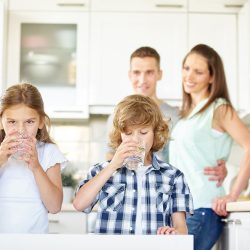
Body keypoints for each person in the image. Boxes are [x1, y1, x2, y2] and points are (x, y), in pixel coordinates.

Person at [105, 46, 227, 187]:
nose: (142, 79)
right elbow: (110, 159)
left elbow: (192, 155)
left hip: (167, 195)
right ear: (130, 75)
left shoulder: (177, 116)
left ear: (159, 74)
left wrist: (219, 168)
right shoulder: (116, 116)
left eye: (149, 72)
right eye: (137, 72)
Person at [73, 94, 193, 234]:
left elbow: (181, 228)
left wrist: (174, 233)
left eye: (143, 132)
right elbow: (79, 204)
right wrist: (112, 166)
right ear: (120, 135)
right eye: (128, 133)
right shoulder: (101, 171)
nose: (135, 140)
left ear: (155, 133)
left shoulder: (173, 176)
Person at [169, 44, 250, 250]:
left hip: (203, 209)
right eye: (186, 68)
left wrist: (233, 194)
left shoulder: (219, 108)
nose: (189, 76)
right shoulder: (188, 115)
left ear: (212, 77)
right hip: (183, 211)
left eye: (198, 71)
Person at [0, 83, 67, 233]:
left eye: (29, 122)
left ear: (41, 121)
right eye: (12, 122)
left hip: (35, 243)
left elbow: (55, 207)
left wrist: (36, 166)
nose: (21, 130)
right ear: (1, 121)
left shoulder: (49, 152)